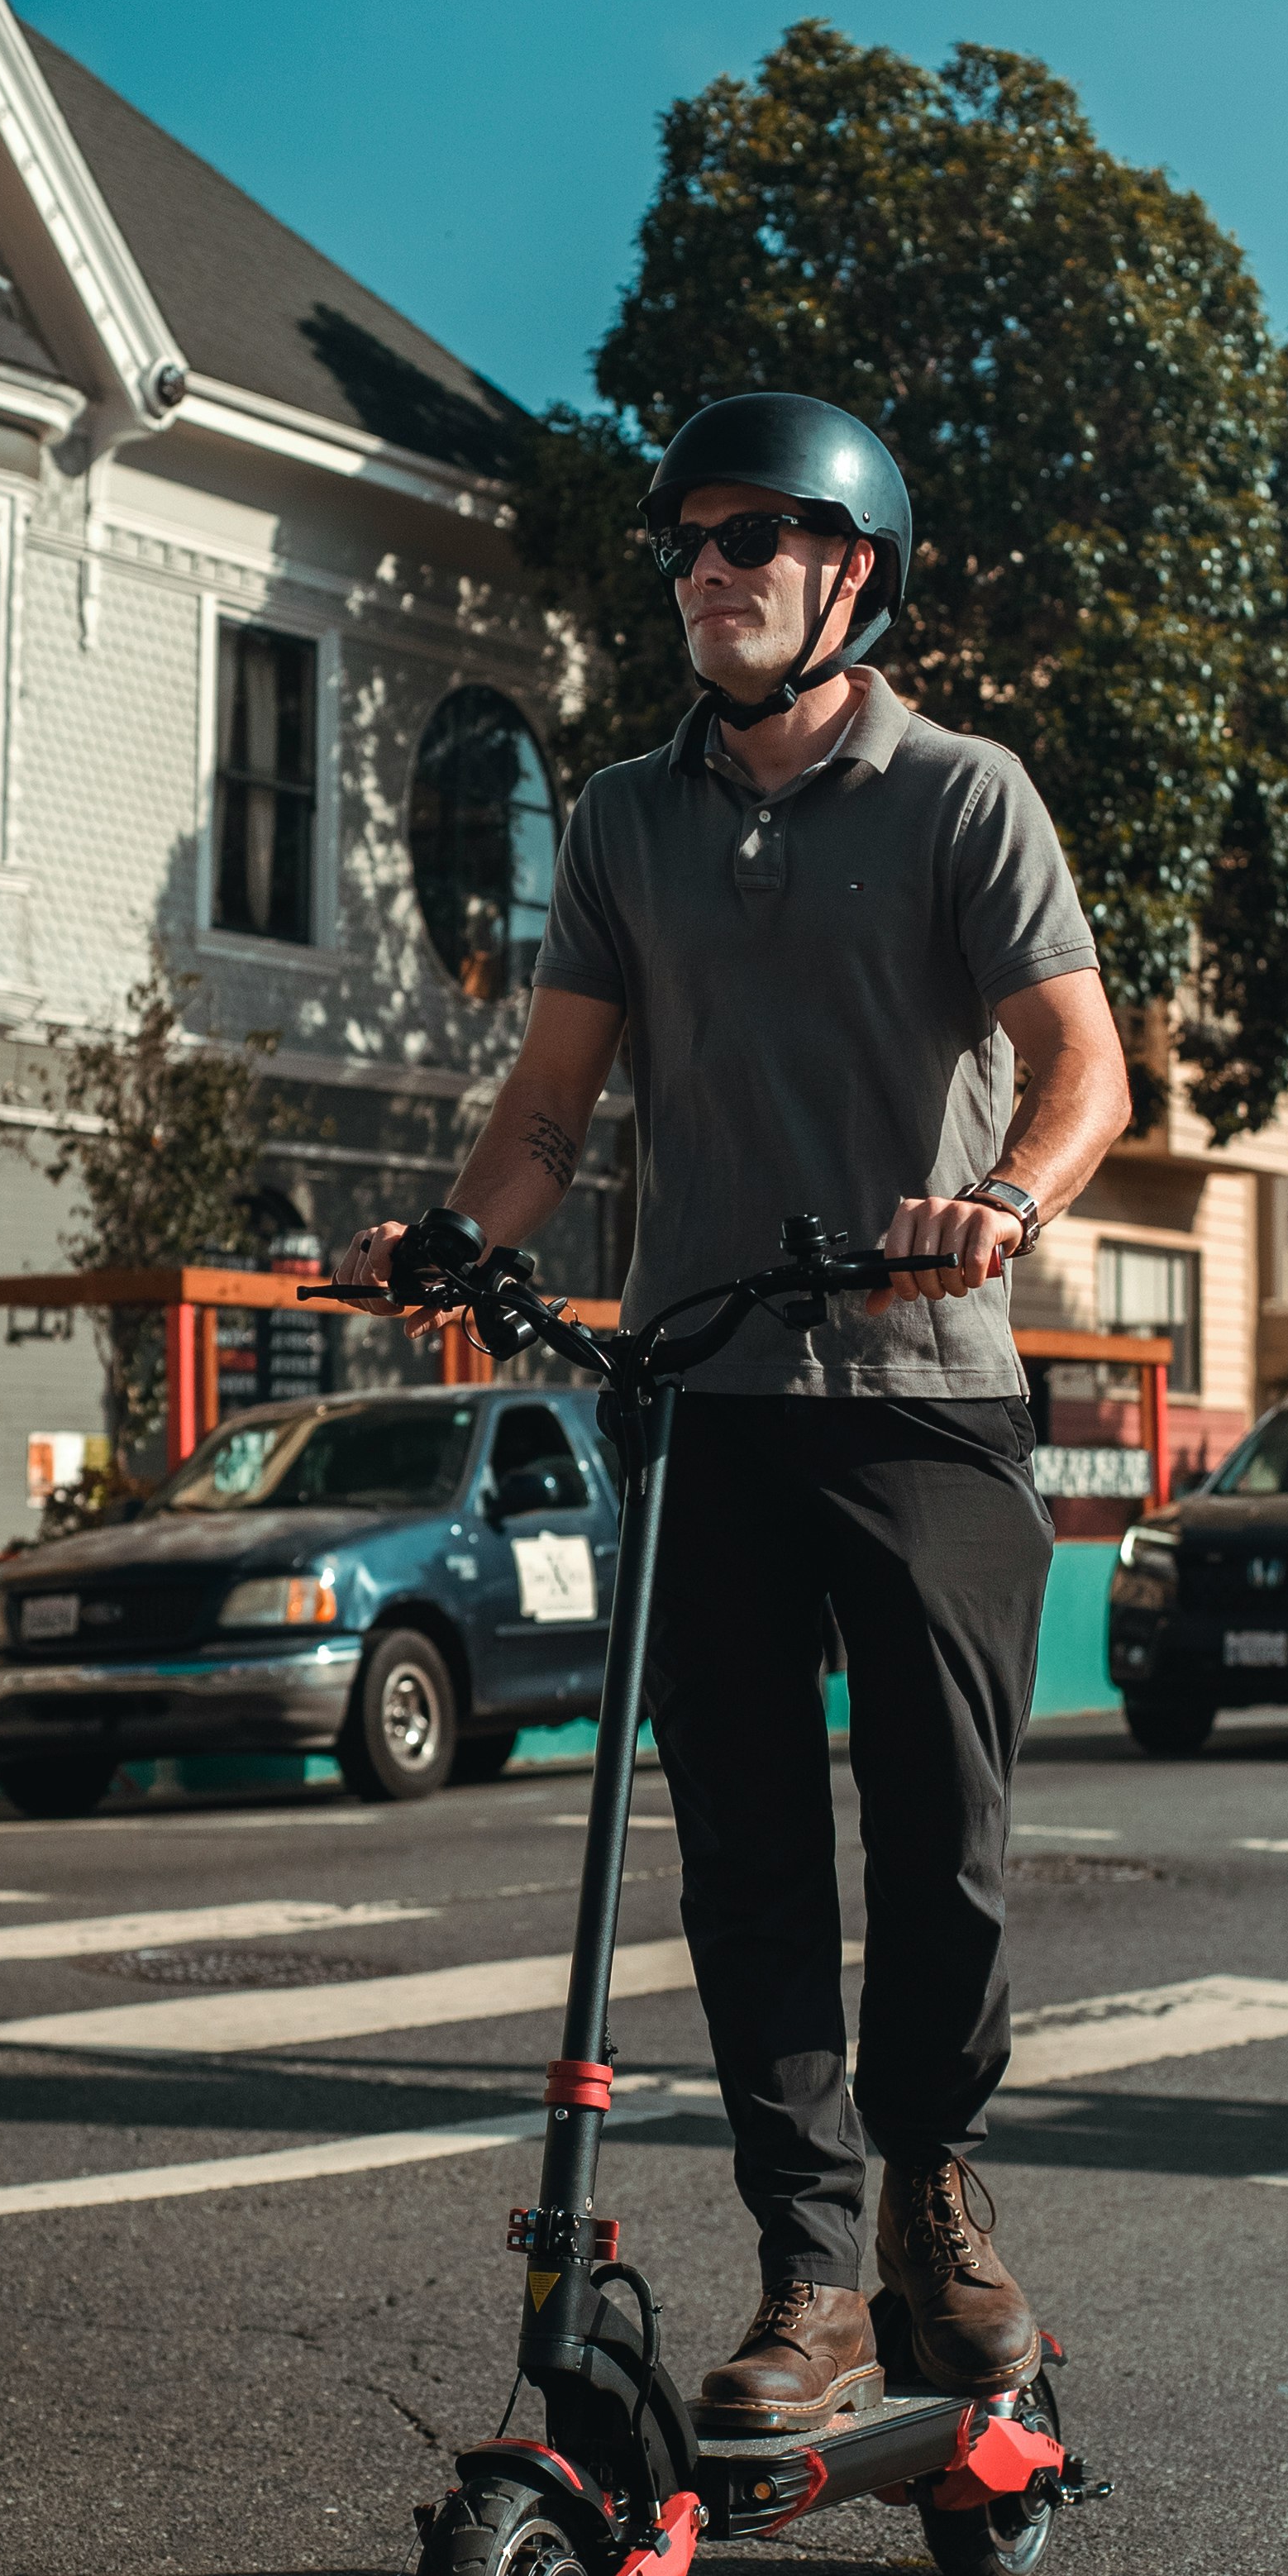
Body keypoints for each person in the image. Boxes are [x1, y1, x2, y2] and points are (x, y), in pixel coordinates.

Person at [336, 392, 1131, 2436]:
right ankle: (807, 2276)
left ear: (848, 573)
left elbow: (1082, 1073)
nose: (709, 571)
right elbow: (548, 1111)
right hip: (696, 1398)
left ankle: (927, 2192)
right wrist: (454, 1237)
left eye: (752, 539)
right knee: (750, 1860)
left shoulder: (963, 798)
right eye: (687, 543)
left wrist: (1000, 1210)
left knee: (941, 1844)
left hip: (924, 1399)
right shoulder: (619, 820)